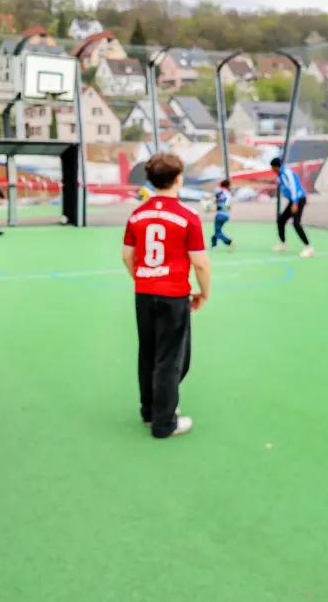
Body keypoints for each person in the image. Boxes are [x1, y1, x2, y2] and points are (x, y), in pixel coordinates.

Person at [122, 153, 210, 439]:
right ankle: (164, 423)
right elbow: (200, 262)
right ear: (178, 178)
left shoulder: (137, 214)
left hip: (144, 294)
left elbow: (127, 255)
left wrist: (143, 278)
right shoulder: (187, 216)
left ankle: (149, 412)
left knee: (147, 352)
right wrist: (203, 293)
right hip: (173, 296)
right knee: (171, 359)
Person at [271, 157, 314, 258]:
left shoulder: (286, 173)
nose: (272, 169)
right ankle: (283, 244)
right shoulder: (281, 174)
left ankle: (308, 248)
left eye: (272, 167)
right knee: (281, 220)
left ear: (276, 167)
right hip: (294, 199)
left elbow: (294, 187)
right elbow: (297, 184)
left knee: (296, 223)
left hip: (297, 200)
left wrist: (295, 203)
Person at [211, 179, 235, 250]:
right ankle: (214, 245)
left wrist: (209, 207)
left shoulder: (220, 192)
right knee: (217, 231)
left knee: (217, 231)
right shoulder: (228, 194)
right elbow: (228, 207)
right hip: (226, 215)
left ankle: (228, 241)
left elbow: (212, 198)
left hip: (220, 215)